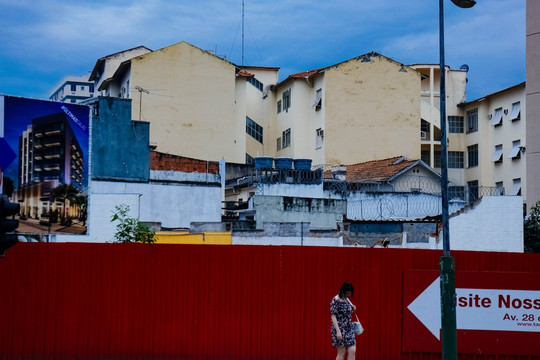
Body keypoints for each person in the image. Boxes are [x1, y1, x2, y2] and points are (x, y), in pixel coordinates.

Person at [330, 282, 357, 360]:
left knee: (352, 350)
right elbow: (333, 316)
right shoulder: (336, 300)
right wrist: (338, 331)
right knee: (341, 352)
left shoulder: (347, 299)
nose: (349, 294)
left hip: (349, 328)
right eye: (347, 293)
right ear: (343, 291)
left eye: (350, 293)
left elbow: (346, 312)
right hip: (339, 328)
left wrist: (352, 308)